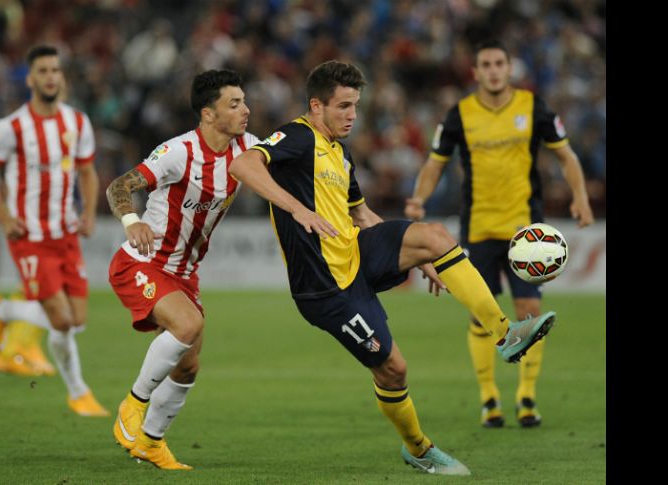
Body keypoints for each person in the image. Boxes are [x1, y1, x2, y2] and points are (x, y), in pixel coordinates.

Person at [228, 60, 557, 475]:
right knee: (393, 370)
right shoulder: (296, 136)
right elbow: (243, 166)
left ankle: (505, 333)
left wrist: (422, 258)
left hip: (355, 253)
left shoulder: (340, 153)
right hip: (324, 286)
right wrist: (298, 210)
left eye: (356, 106)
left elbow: (362, 215)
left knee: (435, 237)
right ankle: (418, 449)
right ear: (316, 105)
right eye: (343, 106)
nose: (352, 115)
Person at [404, 40, 594, 429]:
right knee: (481, 316)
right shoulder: (460, 114)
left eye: (498, 64)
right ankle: (489, 397)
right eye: (485, 64)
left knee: (531, 313)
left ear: (510, 69)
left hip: (527, 235)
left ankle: (526, 396)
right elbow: (434, 163)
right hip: (477, 229)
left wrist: (581, 197)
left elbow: (566, 155)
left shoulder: (533, 107)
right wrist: (418, 199)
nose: (492, 70)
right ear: (475, 72)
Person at [106, 69, 258, 470]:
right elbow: (119, 186)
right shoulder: (178, 152)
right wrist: (131, 222)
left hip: (184, 273)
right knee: (188, 326)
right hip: (142, 262)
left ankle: (151, 443)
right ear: (208, 114)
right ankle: (132, 406)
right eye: (235, 103)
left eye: (244, 101)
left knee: (188, 365)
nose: (246, 109)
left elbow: (288, 157)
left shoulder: (248, 148)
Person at [0, 45, 108, 417]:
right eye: (43, 71)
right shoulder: (11, 128)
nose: (50, 76)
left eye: (55, 70)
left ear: (61, 77)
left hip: (65, 232)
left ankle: (2, 309)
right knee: (61, 319)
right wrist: (4, 218)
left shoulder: (77, 123)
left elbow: (87, 170)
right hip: (29, 235)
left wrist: (88, 214)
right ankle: (78, 391)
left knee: (76, 321)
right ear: (30, 79)